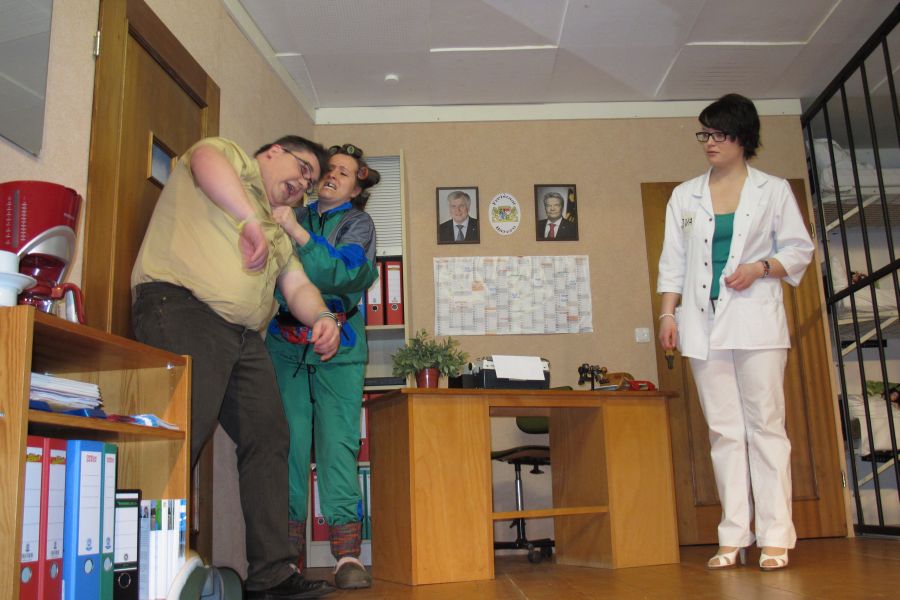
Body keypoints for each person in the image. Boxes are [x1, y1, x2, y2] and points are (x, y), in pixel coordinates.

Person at [131, 135, 341, 600]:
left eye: (310, 183)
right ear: (272, 152)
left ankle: (272, 576)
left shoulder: (276, 228)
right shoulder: (228, 157)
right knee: (181, 433)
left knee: (269, 436)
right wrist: (246, 218)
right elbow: (205, 159)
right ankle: (147, 571)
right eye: (303, 169)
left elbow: (297, 285)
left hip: (243, 337)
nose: (304, 185)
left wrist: (323, 317)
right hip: (181, 307)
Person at [656, 94, 814, 572]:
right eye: (705, 134)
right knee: (724, 432)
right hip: (702, 326)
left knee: (766, 428)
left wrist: (761, 267)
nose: (709, 142)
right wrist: (667, 315)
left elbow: (799, 249)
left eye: (719, 134)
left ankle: (775, 536)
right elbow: (673, 261)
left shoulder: (773, 190)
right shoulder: (684, 196)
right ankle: (733, 535)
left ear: (743, 137)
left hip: (756, 323)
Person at [266, 143, 380, 590]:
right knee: (288, 446)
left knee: (337, 446)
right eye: (329, 169)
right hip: (285, 346)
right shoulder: (294, 209)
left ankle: (347, 556)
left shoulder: (358, 224)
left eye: (344, 173)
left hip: (340, 348)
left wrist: (297, 233)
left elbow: (344, 274)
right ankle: (286, 561)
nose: (332, 176)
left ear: (356, 189)